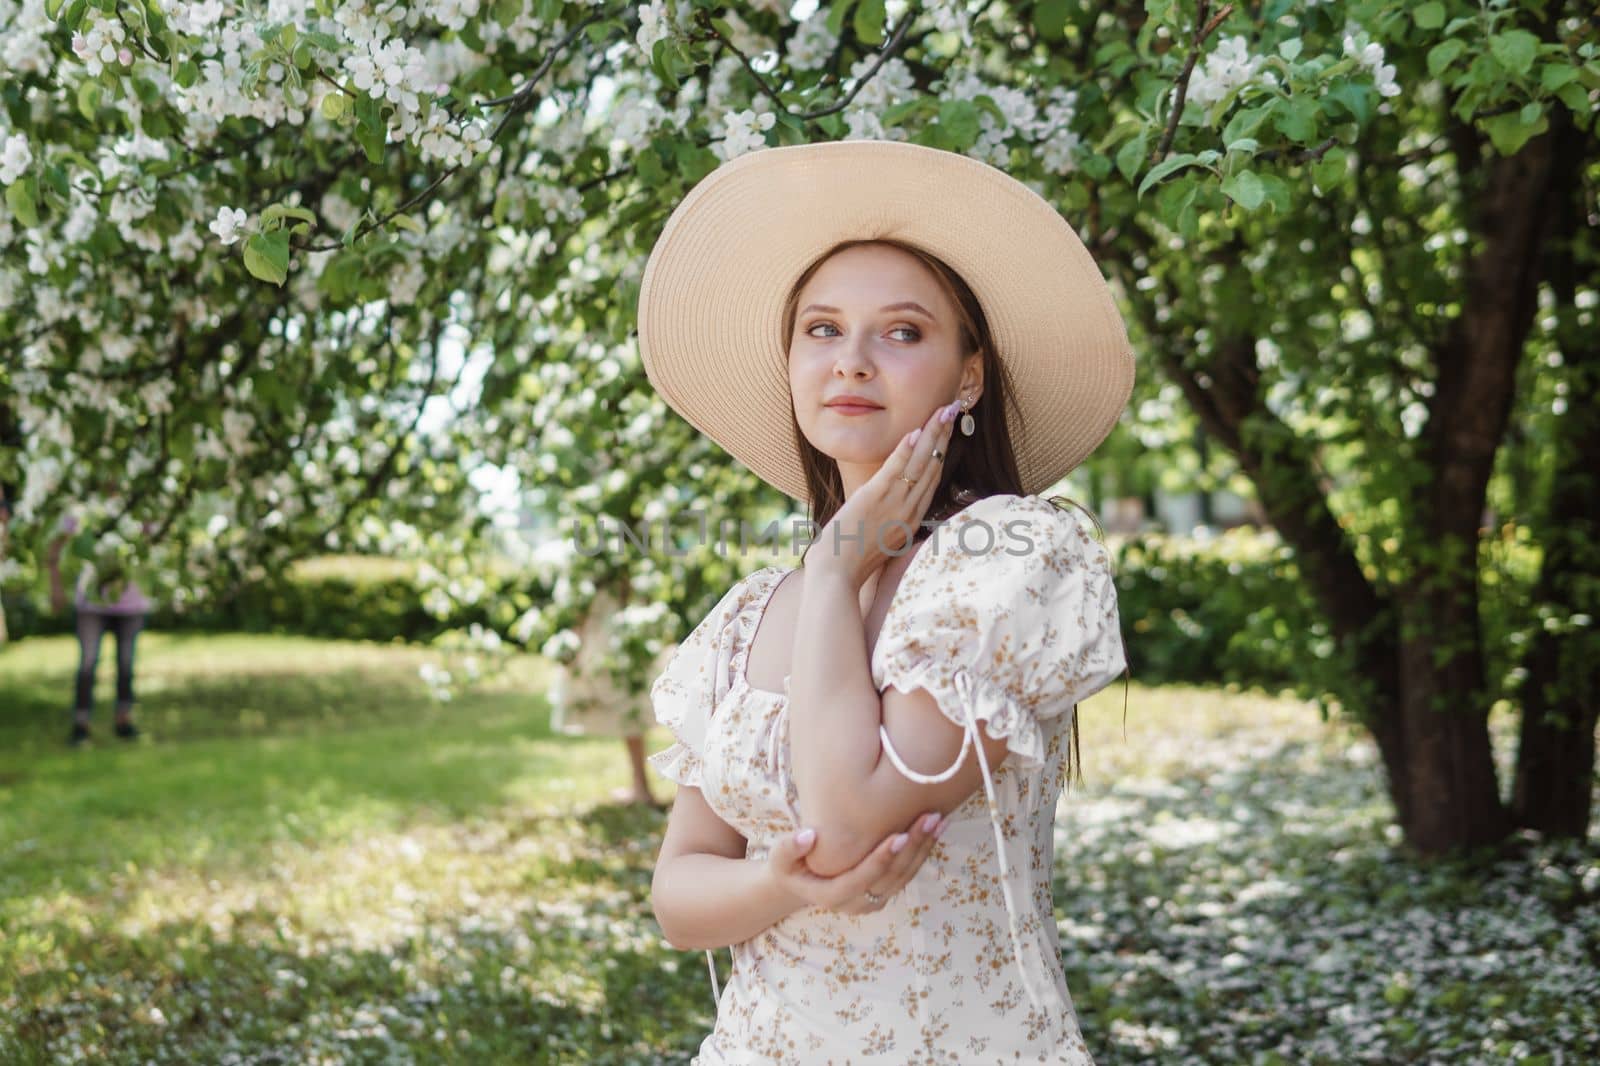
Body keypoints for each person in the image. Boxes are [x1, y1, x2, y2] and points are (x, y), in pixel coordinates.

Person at [636, 139, 1134, 1063]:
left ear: (970, 373)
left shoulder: (1012, 561)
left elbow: (854, 816)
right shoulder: (748, 613)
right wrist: (789, 888)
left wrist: (835, 574)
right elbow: (678, 895)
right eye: (820, 329)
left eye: (901, 332)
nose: (852, 361)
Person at [547, 583, 675, 808]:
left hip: (616, 631)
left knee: (628, 701)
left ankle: (642, 786)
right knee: (625, 701)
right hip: (611, 627)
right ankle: (640, 784)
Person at [46, 506, 154, 746]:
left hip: (130, 602)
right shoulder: (85, 508)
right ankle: (81, 725)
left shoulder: (143, 503)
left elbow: (151, 541)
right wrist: (55, 586)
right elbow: (56, 545)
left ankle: (124, 720)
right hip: (91, 603)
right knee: (87, 663)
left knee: (126, 663)